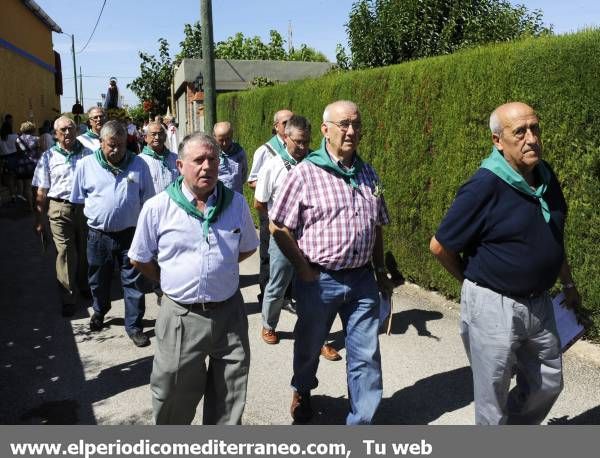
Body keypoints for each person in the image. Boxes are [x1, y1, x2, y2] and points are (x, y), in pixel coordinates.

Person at [429, 102, 581, 425]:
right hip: (492, 307)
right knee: (492, 400)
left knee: (548, 382)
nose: (531, 138)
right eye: (520, 132)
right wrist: (472, 285)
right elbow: (440, 246)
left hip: (539, 305)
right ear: (498, 141)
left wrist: (567, 283)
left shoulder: (545, 175)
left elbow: (553, 234)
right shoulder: (484, 185)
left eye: (535, 128)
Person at [270, 100, 394, 424]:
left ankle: (361, 423)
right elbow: (278, 225)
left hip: (362, 280)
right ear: (325, 129)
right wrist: (301, 268)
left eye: (355, 123)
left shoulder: (368, 173)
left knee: (365, 356)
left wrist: (380, 271)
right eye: (343, 124)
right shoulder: (305, 173)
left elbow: (377, 225)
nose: (351, 130)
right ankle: (302, 387)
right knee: (310, 347)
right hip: (318, 279)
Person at [128, 133, 259, 424]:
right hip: (181, 317)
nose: (207, 167)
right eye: (198, 160)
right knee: (172, 395)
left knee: (230, 396)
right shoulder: (159, 207)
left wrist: (218, 270)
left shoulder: (235, 204)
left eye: (212, 160)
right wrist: (168, 279)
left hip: (229, 315)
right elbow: (138, 257)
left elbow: (247, 247)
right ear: (180, 165)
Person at [254, 115, 342, 361]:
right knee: (278, 284)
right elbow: (259, 203)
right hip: (283, 237)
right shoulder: (273, 165)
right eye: (298, 143)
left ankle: (321, 339)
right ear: (285, 137)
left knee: (317, 289)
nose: (303, 148)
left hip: (313, 238)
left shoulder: (317, 163)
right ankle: (269, 324)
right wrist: (276, 225)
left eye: (306, 142)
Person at [70, 120, 155, 347]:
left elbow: (148, 201)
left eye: (120, 145)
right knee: (98, 279)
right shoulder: (86, 165)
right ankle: (99, 310)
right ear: (101, 143)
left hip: (131, 235)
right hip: (98, 236)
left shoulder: (139, 165)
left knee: (134, 282)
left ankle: (134, 326)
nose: (116, 150)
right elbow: (78, 200)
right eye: (111, 145)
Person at [32, 116, 93, 316]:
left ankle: (83, 284)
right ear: (56, 134)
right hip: (59, 209)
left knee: (84, 249)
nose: (67, 133)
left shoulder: (88, 154)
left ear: (76, 131)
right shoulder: (48, 157)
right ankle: (68, 296)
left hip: (84, 209)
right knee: (65, 252)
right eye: (63, 130)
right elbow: (41, 191)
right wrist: (40, 220)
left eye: (70, 129)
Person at [248, 109, 293, 301]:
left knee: (292, 253)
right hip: (270, 209)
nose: (289, 126)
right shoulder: (265, 150)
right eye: (285, 123)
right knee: (268, 253)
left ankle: (288, 295)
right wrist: (275, 187)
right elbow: (252, 180)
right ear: (276, 127)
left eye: (293, 121)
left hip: (292, 212)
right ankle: (267, 294)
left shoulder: (299, 147)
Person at [138, 121, 179, 194]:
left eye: (160, 134)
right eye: (153, 134)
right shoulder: (139, 161)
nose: (157, 137)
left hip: (174, 204)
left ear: (165, 137)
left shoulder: (175, 158)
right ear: (145, 137)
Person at [213, 121, 248, 193]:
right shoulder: (212, 154)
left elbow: (244, 172)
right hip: (218, 196)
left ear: (232, 136)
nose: (225, 143)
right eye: (221, 140)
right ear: (214, 137)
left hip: (236, 194)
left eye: (227, 139)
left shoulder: (239, 152)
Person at [15, 121, 40, 209]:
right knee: (36, 186)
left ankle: (30, 206)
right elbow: (38, 152)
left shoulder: (18, 139)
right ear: (32, 129)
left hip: (23, 165)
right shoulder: (36, 139)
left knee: (27, 186)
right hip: (35, 164)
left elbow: (18, 152)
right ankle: (37, 204)